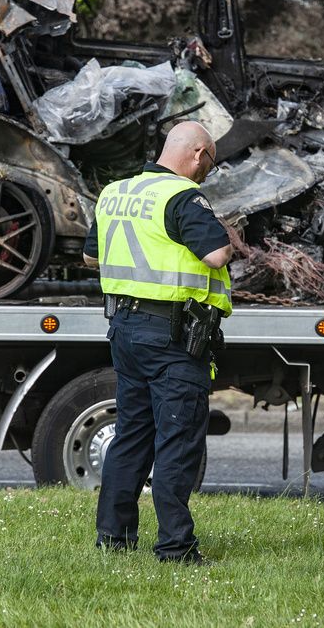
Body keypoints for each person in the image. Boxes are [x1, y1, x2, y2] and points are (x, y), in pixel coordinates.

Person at [83, 120, 232, 564]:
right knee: (177, 438)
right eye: (211, 163)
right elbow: (217, 254)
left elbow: (92, 255)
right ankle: (175, 547)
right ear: (199, 154)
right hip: (173, 336)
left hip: (125, 329)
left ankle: (114, 538)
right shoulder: (182, 196)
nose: (208, 172)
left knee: (131, 435)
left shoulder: (115, 192)